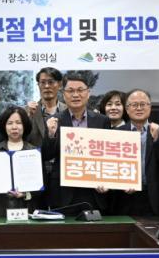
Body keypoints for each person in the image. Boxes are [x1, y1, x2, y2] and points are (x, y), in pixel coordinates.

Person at [42, 73, 111, 214]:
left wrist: (106, 180)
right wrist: (51, 134)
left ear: (88, 93)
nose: (75, 95)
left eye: (80, 90)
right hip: (64, 191)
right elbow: (46, 155)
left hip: (94, 190)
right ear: (63, 94)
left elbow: (108, 156)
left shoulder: (102, 120)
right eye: (70, 91)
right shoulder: (53, 120)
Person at [114, 89, 159, 216]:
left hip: (156, 199)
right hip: (124, 198)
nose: (139, 108)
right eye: (134, 105)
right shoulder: (117, 133)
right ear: (127, 109)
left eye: (143, 104)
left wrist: (157, 140)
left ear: (150, 107)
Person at [0, 106, 40, 217]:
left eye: (18, 123)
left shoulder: (33, 151)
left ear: (25, 125)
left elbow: (41, 186)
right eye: (10, 123)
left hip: (26, 208)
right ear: (4, 126)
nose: (14, 127)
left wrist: (25, 194)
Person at [26, 67, 67, 147]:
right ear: (38, 85)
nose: (47, 86)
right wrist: (28, 117)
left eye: (51, 82)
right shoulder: (28, 111)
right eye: (43, 82)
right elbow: (21, 141)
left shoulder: (69, 111)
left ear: (59, 85)